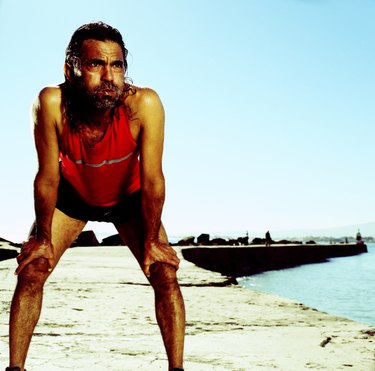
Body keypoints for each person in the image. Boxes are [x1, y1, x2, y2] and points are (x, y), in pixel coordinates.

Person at [7, 22, 185, 371]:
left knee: (165, 273)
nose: (109, 76)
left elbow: (152, 179)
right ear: (70, 69)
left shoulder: (144, 104)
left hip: (128, 198)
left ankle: (176, 369)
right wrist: (42, 237)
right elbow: (46, 178)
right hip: (73, 197)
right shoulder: (51, 103)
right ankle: (15, 368)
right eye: (95, 64)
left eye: (117, 65)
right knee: (32, 271)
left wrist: (152, 239)